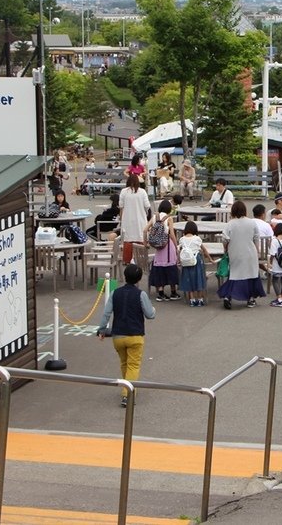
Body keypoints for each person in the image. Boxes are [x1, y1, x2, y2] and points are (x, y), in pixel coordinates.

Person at [96, 263, 155, 408]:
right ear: (139, 279)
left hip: (118, 336)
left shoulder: (115, 293)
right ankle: (127, 395)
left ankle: (126, 386)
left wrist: (102, 329)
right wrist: (153, 308)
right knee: (133, 365)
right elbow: (150, 314)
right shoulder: (141, 294)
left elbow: (106, 313)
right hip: (135, 335)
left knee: (124, 363)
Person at [217, 200, 266, 309]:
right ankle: (250, 299)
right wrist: (256, 252)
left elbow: (225, 239)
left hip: (235, 252)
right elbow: (256, 238)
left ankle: (228, 296)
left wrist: (226, 249)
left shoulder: (230, 224)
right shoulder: (252, 223)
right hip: (250, 253)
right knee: (251, 275)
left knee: (234, 275)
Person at [147, 199, 180, 301]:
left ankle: (160, 293)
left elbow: (145, 230)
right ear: (169, 209)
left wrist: (146, 242)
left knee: (159, 268)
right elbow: (172, 234)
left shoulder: (154, 217)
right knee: (171, 267)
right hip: (167, 245)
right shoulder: (169, 218)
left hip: (158, 247)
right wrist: (176, 246)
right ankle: (173, 292)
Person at [178, 220, 213, 307]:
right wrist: (210, 259)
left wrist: (178, 260)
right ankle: (200, 299)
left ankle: (192, 299)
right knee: (199, 279)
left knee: (189, 279)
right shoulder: (197, 239)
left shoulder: (182, 239)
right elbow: (204, 250)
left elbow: (179, 250)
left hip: (186, 262)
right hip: (196, 261)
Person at [119, 174, 151, 264]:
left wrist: (121, 219)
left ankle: (127, 260)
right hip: (140, 219)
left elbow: (121, 206)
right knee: (139, 238)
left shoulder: (124, 192)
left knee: (128, 239)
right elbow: (147, 206)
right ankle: (140, 259)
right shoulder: (142, 192)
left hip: (127, 219)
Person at [268, 223, 282, 307]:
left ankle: (279, 299)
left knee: (275, 281)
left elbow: (272, 254)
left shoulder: (274, 240)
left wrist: (270, 262)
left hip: (277, 265)